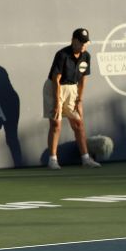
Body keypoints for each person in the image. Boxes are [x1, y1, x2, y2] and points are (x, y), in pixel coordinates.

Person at [43, 28, 102, 170]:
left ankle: (86, 159)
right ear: (73, 41)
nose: (83, 45)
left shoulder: (86, 56)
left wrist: (79, 100)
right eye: (80, 42)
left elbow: (83, 80)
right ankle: (52, 160)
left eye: (85, 42)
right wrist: (57, 102)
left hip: (72, 89)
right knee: (56, 125)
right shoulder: (62, 55)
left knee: (78, 124)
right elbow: (56, 80)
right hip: (54, 88)